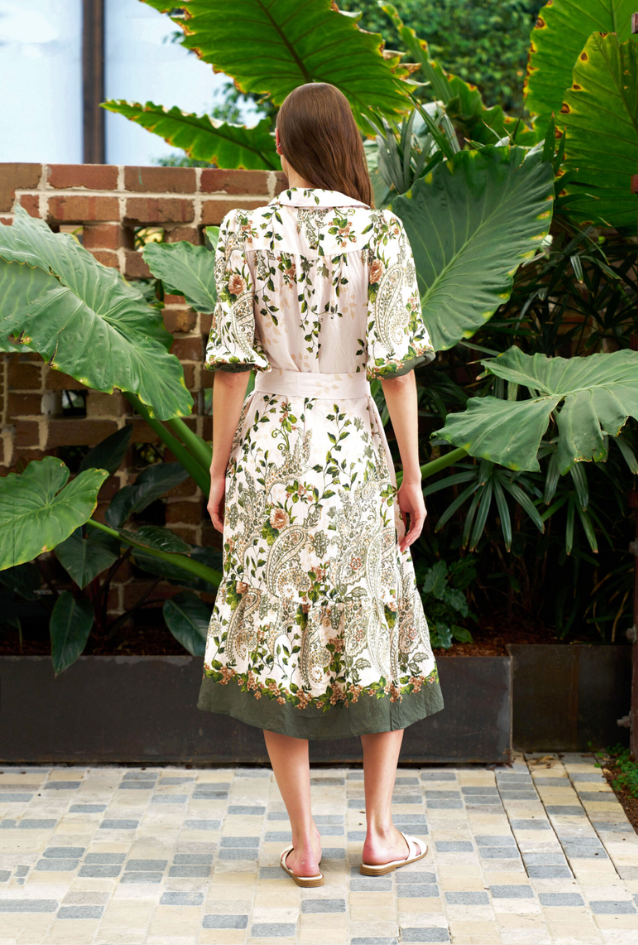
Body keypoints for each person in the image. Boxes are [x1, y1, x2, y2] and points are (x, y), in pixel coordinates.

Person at [198, 82, 444, 886]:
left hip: (271, 446)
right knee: (372, 613)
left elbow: (233, 367)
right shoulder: (379, 233)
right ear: (345, 145)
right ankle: (378, 833)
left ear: (283, 148)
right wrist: (412, 474)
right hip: (352, 448)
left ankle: (304, 845)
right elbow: (396, 370)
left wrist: (220, 464)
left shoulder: (245, 231)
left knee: (276, 628)